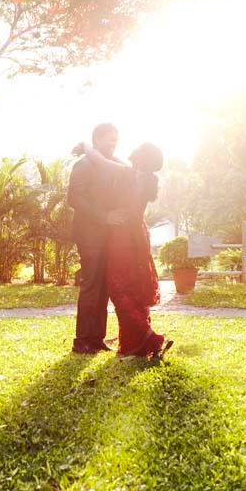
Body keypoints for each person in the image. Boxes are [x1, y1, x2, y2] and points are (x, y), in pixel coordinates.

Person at [74, 139, 173, 359]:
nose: (132, 148)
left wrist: (86, 146)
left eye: (137, 148)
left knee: (118, 288)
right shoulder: (146, 178)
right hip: (137, 233)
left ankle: (150, 336)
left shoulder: (129, 173)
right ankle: (133, 344)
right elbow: (110, 163)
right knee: (133, 286)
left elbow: (102, 161)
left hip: (123, 237)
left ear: (141, 156)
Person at [67, 123, 127, 354]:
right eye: (110, 139)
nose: (115, 143)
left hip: (108, 236)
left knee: (104, 287)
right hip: (89, 235)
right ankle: (82, 340)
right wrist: (105, 216)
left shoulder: (113, 165)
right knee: (91, 285)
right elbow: (74, 198)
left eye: (116, 139)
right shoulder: (83, 164)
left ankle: (97, 338)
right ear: (97, 139)